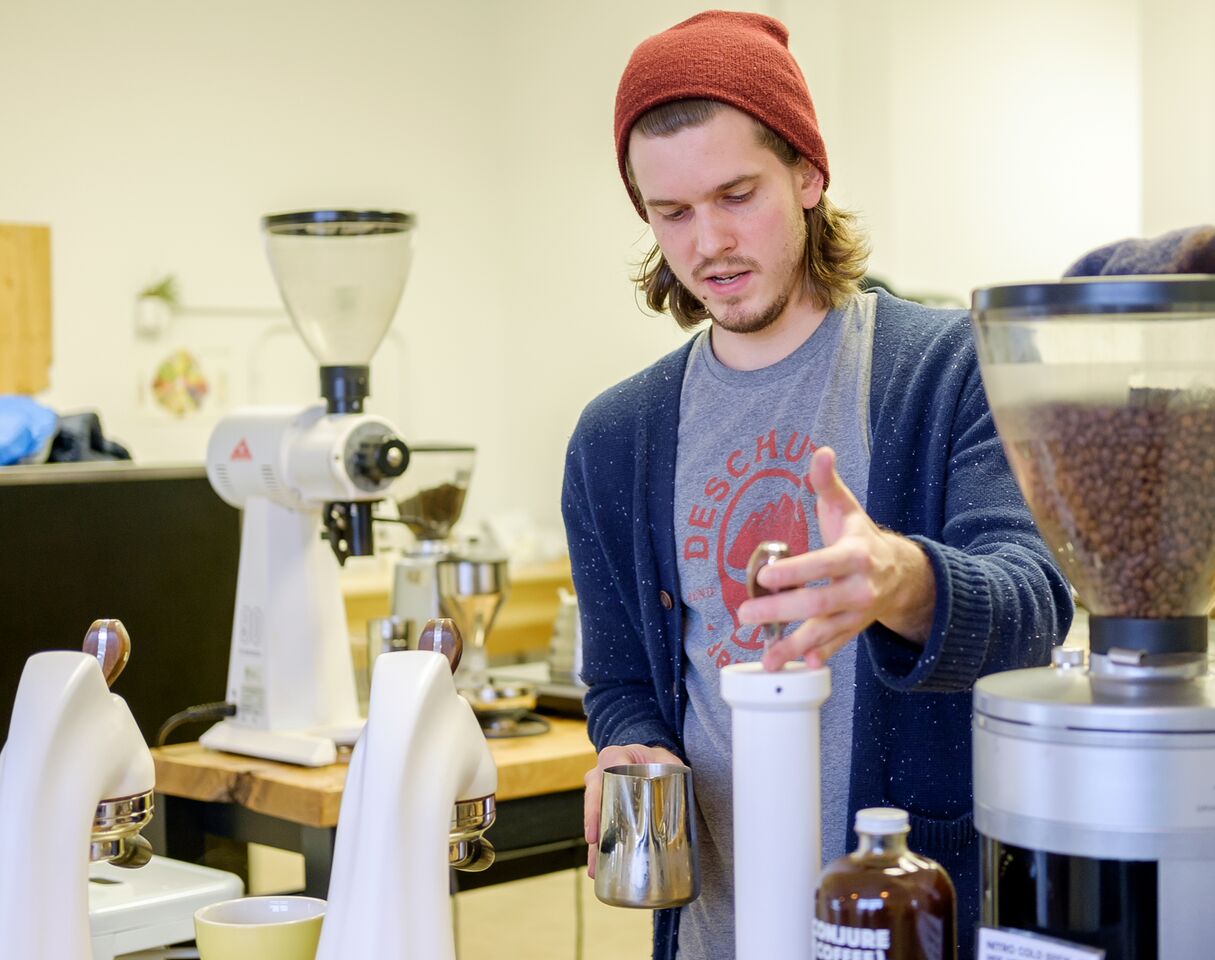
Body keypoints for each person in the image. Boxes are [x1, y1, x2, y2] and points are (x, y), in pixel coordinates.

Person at [561, 11, 1073, 960]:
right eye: (670, 212)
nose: (708, 241)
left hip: (909, 919)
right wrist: (631, 744)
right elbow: (624, 679)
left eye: (736, 193)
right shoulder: (614, 437)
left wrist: (900, 578)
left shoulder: (948, 368)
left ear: (806, 172)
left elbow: (1035, 608)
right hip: (716, 925)